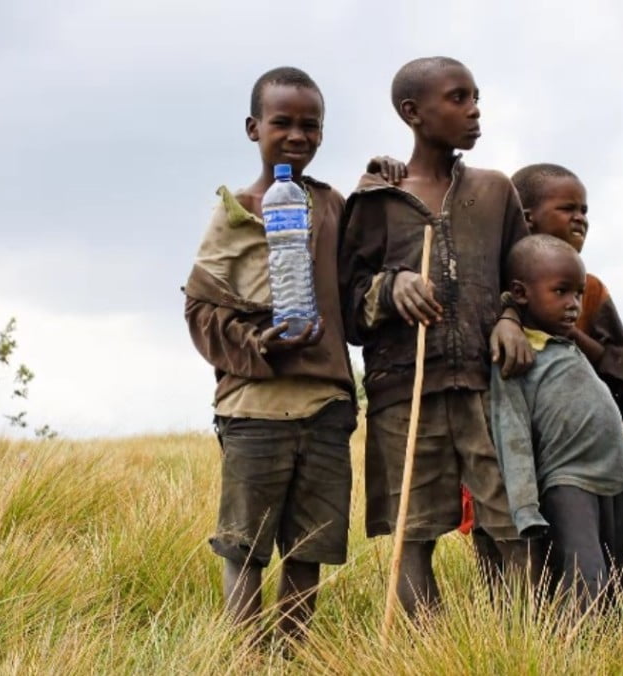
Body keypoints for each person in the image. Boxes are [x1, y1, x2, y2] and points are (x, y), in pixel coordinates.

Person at [338, 55, 535, 618]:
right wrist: (389, 286)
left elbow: (522, 280)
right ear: (413, 113)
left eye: (476, 97)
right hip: (405, 392)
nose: (475, 112)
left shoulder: (496, 192)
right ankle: (434, 652)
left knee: (512, 525)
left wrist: (507, 318)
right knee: (412, 533)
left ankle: (516, 646)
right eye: (458, 98)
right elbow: (348, 309)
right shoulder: (374, 203)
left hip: (487, 389)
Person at [183, 66, 359, 642]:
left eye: (311, 125)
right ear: (253, 128)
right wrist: (261, 344)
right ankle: (244, 655)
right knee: (245, 546)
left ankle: (292, 652)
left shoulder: (332, 207)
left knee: (311, 545)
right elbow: (201, 313)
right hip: (253, 406)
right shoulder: (234, 213)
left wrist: (383, 179)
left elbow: (358, 284)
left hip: (326, 405)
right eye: (282, 122)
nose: (297, 136)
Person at [490, 234, 623, 614]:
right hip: (568, 482)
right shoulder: (518, 353)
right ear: (520, 293)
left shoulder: (566, 345)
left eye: (578, 294)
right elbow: (510, 432)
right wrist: (526, 508)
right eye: (561, 292)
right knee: (584, 581)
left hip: (616, 481)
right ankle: (574, 656)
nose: (574, 305)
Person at [510, 163, 623, 425]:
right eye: (567, 209)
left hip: (571, 428)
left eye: (584, 210)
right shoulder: (494, 280)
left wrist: (570, 333)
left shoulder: (592, 290)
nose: (580, 218)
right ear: (528, 217)